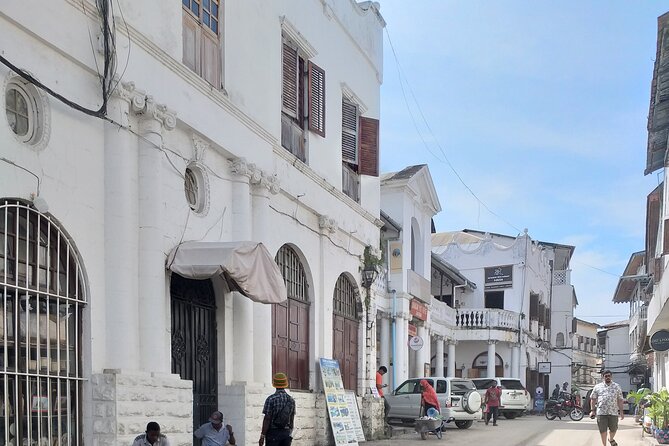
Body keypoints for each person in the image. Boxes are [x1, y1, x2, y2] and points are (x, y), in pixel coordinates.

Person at [259, 372, 296, 446]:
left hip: (273, 433)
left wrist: (262, 436)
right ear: (285, 384)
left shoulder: (271, 399)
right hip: (286, 433)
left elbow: (267, 419)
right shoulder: (291, 400)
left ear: (274, 384)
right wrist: (289, 433)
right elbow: (291, 419)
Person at [590, 370, 624, 446]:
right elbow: (593, 399)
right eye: (606, 376)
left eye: (609, 376)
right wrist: (592, 411)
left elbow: (620, 399)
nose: (607, 377)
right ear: (603, 377)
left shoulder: (617, 386)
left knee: (614, 429)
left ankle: (611, 439)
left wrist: (621, 412)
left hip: (613, 412)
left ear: (611, 377)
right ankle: (604, 444)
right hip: (601, 412)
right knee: (603, 430)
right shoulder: (597, 387)